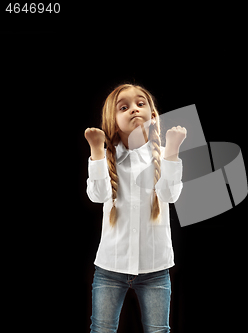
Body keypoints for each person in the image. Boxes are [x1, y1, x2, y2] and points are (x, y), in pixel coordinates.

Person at [85, 84, 187, 333]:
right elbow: (97, 196)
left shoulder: (163, 156)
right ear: (113, 119)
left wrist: (172, 150)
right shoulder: (107, 157)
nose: (134, 109)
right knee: (101, 329)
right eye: (124, 107)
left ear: (153, 116)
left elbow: (169, 195)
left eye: (141, 104)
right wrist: (96, 151)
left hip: (155, 268)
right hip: (110, 266)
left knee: (158, 330)